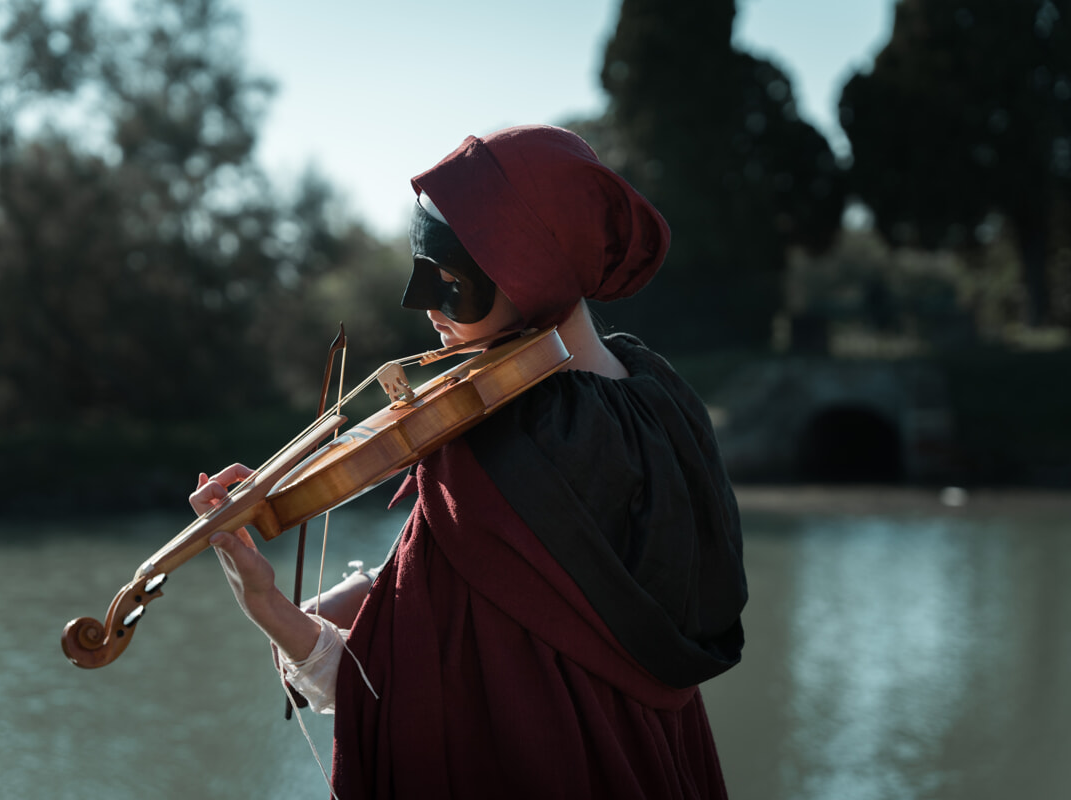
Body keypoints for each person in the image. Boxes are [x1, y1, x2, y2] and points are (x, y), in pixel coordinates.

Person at [191, 125, 747, 799]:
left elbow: (402, 710)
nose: (420, 303)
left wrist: (268, 606)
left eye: (448, 279)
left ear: (531, 268)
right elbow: (539, 613)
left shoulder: (493, 449)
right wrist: (380, 588)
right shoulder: (664, 402)